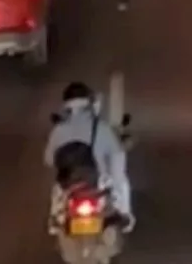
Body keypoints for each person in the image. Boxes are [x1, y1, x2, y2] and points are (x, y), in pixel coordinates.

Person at [43, 82, 134, 231]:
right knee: (121, 182)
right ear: (90, 104)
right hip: (98, 182)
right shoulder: (102, 128)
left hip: (70, 185)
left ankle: (55, 220)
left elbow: (48, 159)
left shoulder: (58, 131)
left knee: (57, 189)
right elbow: (117, 156)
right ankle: (125, 216)